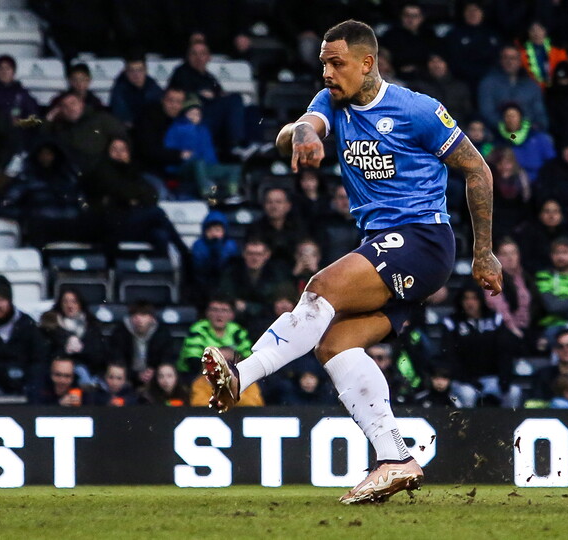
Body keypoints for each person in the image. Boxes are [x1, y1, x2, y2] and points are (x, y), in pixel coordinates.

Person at [200, 20, 502, 504]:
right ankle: (396, 458)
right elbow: (302, 128)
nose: (326, 71)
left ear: (367, 63)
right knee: (334, 345)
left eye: (336, 62)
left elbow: (477, 169)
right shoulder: (331, 102)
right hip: (385, 244)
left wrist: (483, 251)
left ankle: (243, 376)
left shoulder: (418, 110)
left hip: (424, 240)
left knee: (320, 290)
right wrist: (302, 133)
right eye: (323, 61)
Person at [40, 92, 127, 175]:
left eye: (73, 103)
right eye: (65, 106)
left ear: (81, 104)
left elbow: (122, 138)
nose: (70, 108)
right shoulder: (60, 130)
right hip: (73, 176)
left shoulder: (101, 119)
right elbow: (42, 140)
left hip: (106, 170)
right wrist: (49, 118)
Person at [178, 296, 253, 383]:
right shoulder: (198, 329)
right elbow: (193, 362)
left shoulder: (238, 331)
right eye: (214, 310)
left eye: (224, 310)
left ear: (232, 315)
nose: (219, 315)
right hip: (199, 376)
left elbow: (249, 360)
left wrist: (234, 356)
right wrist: (216, 357)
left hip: (232, 376)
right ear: (207, 313)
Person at [39, 287, 106, 379]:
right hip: (58, 373)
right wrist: (66, 349)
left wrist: (81, 350)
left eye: (74, 302)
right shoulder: (50, 326)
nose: (70, 306)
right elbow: (45, 354)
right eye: (65, 302)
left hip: (88, 370)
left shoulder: (92, 325)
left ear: (80, 304)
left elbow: (98, 355)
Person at [478, 45, 548, 133]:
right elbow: (486, 112)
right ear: (500, 60)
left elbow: (539, 114)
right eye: (505, 58)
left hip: (528, 134)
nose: (509, 61)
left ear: (520, 61)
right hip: (496, 134)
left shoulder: (532, 86)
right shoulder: (488, 83)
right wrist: (506, 129)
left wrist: (525, 129)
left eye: (513, 58)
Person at [109, 302, 174, 388]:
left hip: (156, 378)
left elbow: (168, 357)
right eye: (134, 315)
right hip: (127, 378)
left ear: (151, 318)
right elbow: (116, 359)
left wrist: (155, 372)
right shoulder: (120, 332)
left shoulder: (162, 333)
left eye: (143, 315)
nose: (138, 319)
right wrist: (136, 375)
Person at [0, 55, 40, 126]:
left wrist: (20, 122)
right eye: (1, 68)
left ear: (14, 72)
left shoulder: (22, 94)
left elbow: (34, 119)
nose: (4, 72)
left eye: (8, 68)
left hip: (15, 133)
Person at [110, 57, 164, 128]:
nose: (136, 74)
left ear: (145, 71)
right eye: (132, 71)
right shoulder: (119, 90)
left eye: (140, 70)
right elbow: (123, 118)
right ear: (126, 72)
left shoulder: (153, 87)